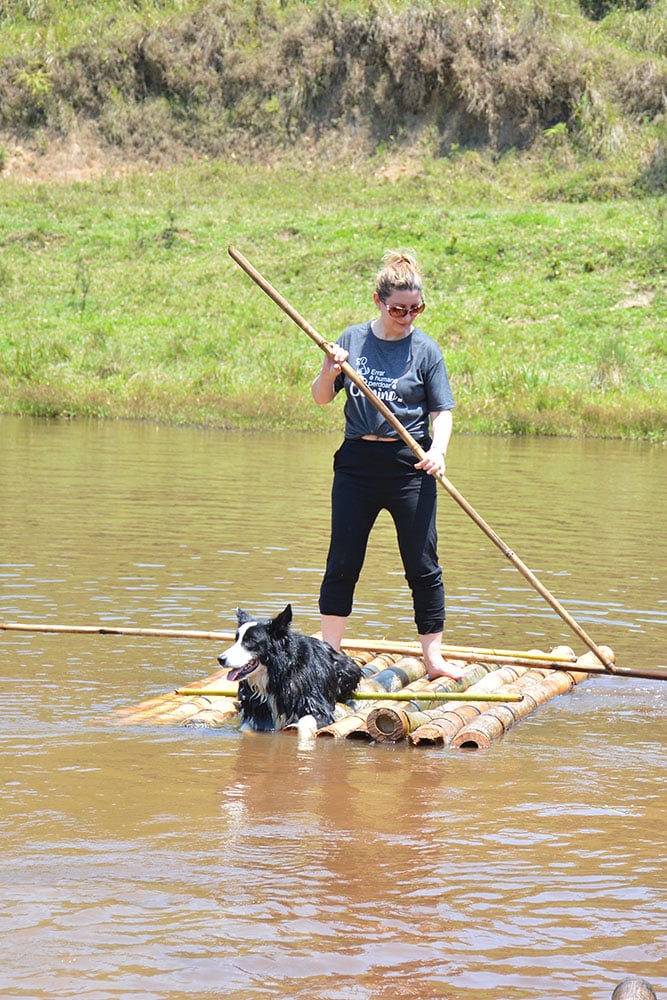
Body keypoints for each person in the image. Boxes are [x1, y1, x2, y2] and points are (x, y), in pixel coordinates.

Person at [311, 250, 463, 681]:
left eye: (416, 308)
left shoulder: (426, 350)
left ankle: (434, 660)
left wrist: (439, 451)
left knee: (422, 563)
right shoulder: (353, 341)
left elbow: (442, 412)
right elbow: (322, 398)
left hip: (409, 465)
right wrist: (328, 370)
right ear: (377, 301)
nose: (408, 316)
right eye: (399, 309)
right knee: (343, 559)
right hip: (357, 464)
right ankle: (328, 655)